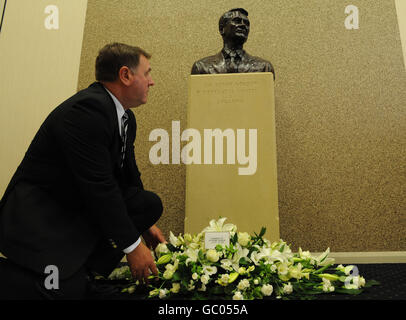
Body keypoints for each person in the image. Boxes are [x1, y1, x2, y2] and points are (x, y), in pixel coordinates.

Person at [0, 42, 166, 299]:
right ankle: (61, 274)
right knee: (66, 292)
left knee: (147, 204)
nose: (151, 82)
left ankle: (86, 269)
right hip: (42, 217)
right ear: (125, 75)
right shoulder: (88, 110)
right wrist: (133, 247)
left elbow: (127, 178)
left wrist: (145, 225)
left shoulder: (124, 117)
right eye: (147, 73)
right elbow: (100, 186)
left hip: (75, 206)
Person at [191, 8, 275, 78]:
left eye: (247, 23)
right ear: (221, 29)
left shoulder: (264, 67)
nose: (243, 25)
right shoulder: (202, 67)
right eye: (237, 21)